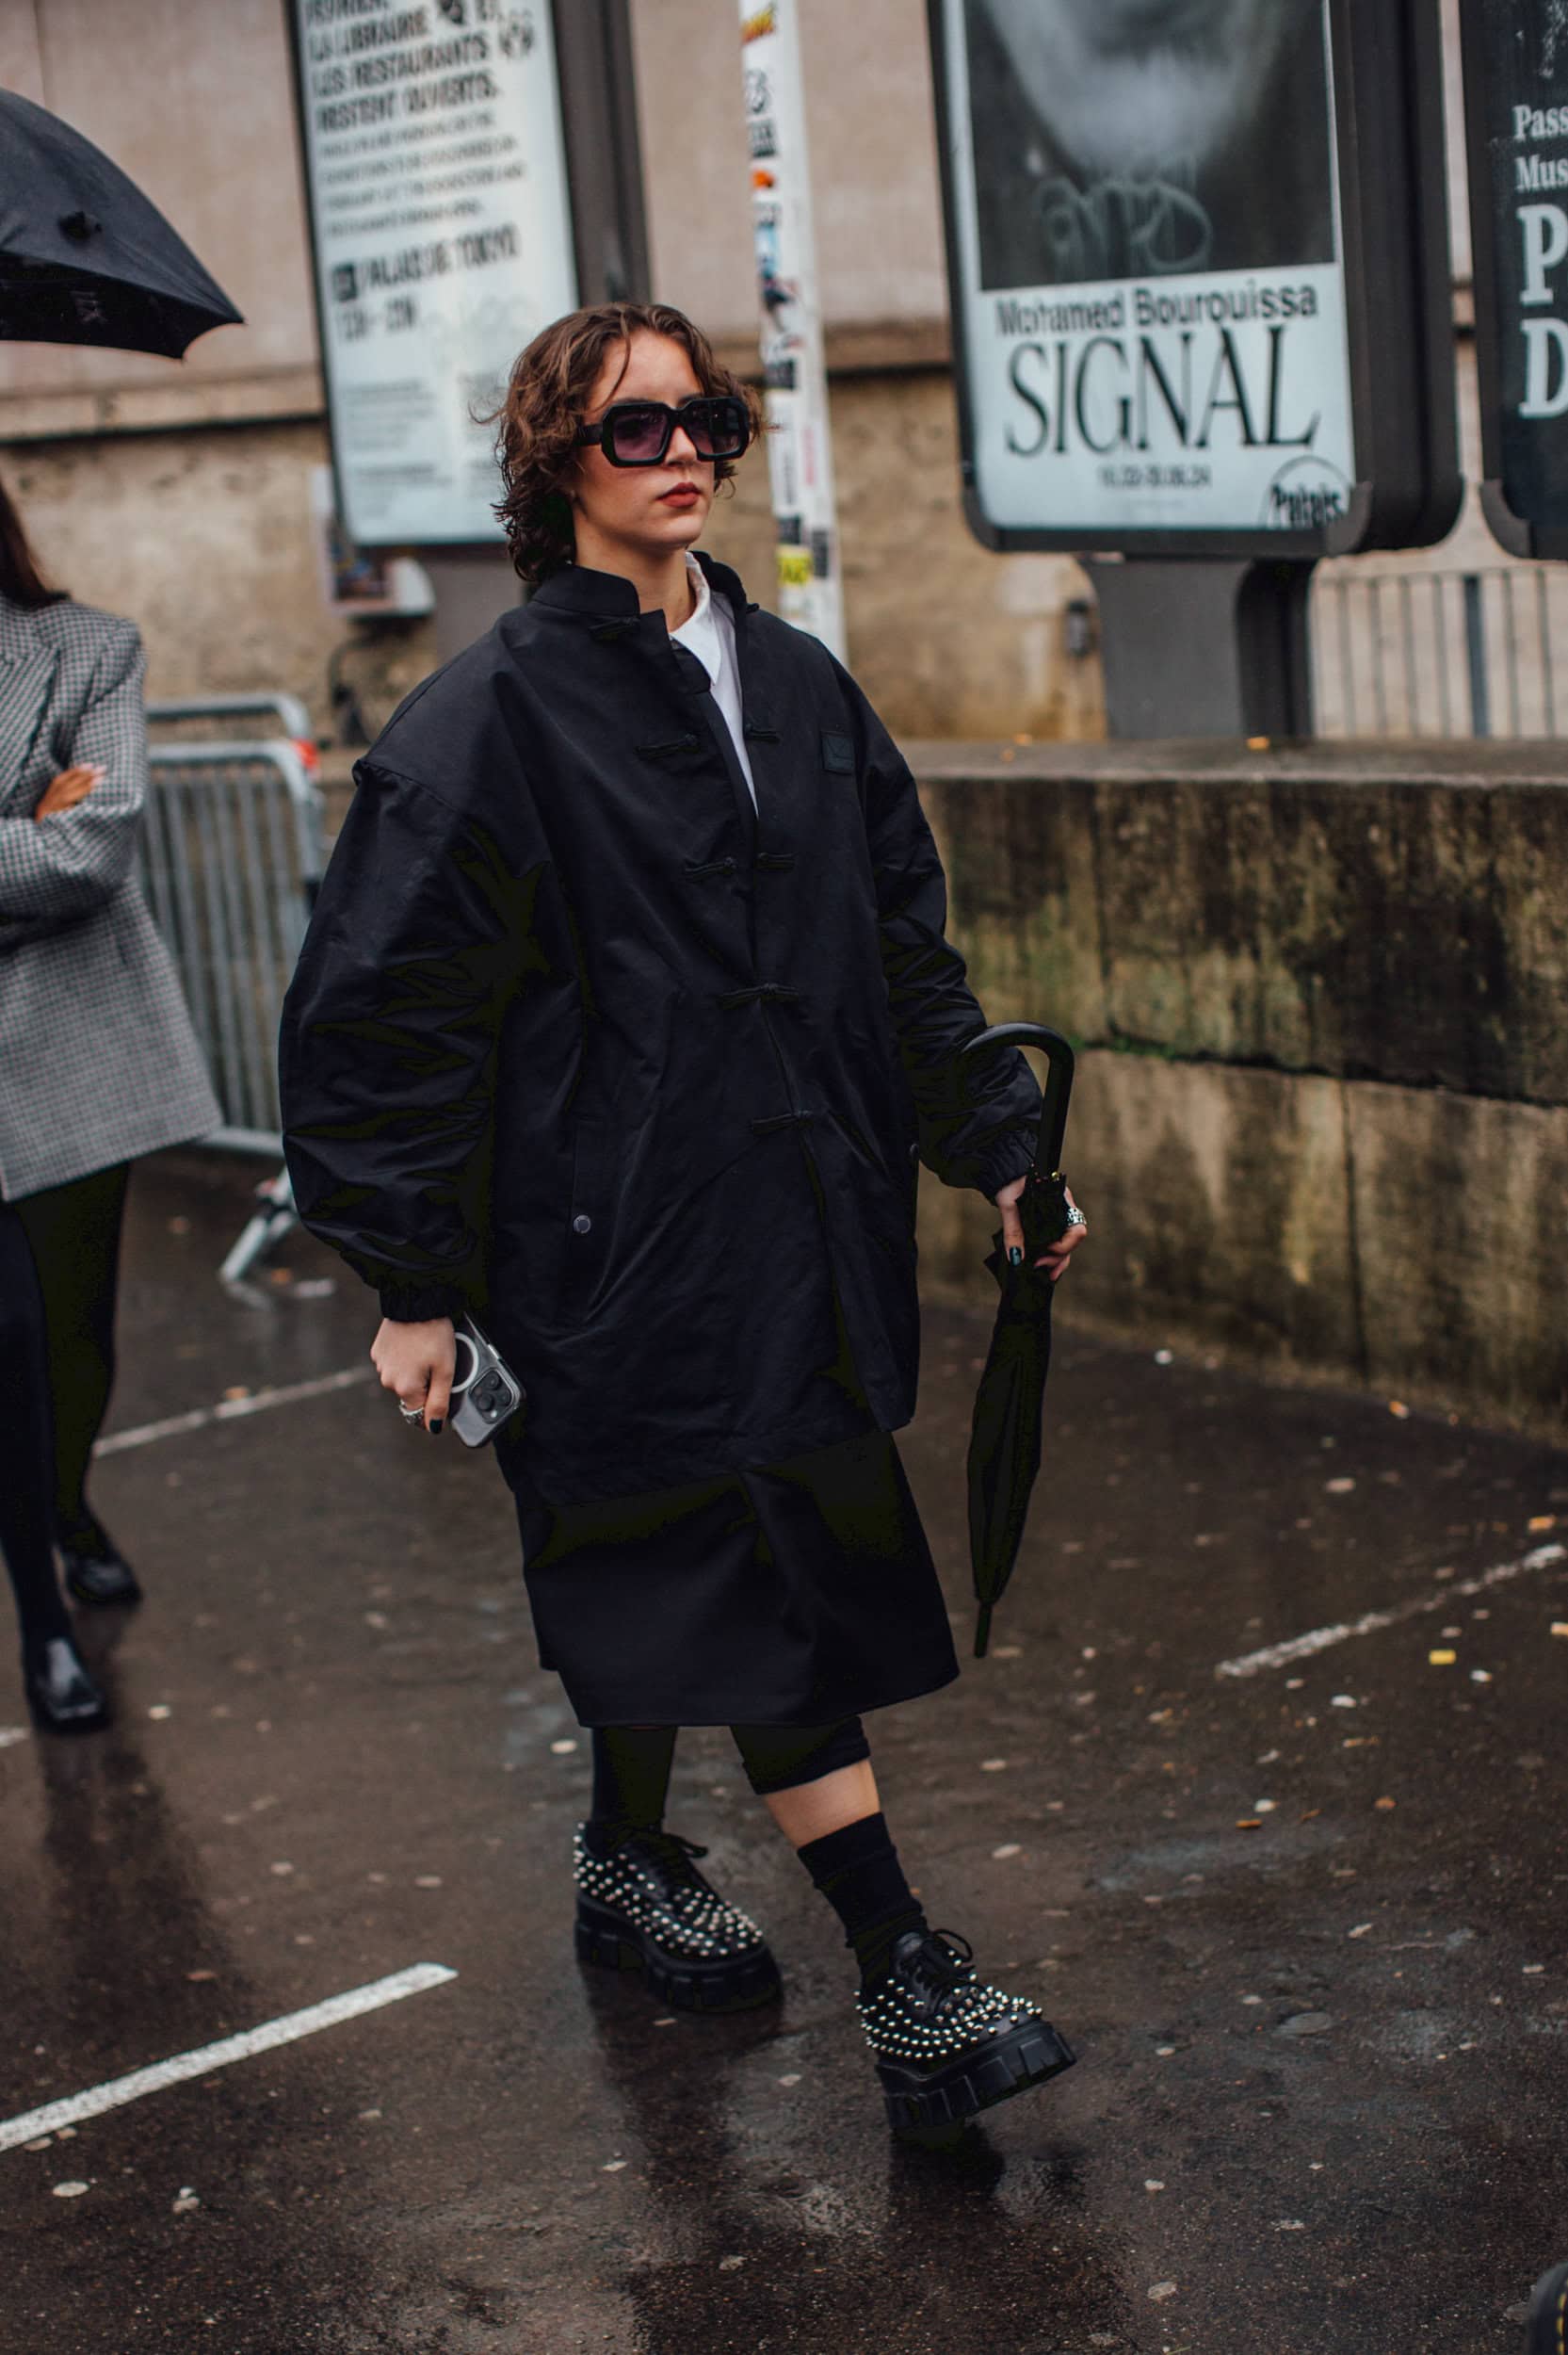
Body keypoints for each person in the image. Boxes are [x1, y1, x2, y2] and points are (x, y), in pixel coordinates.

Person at [279, 300, 1089, 2133]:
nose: (682, 453)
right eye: (635, 425)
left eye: (702, 417)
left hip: (802, 1223)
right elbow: (380, 1013)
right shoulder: (485, 720)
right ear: (554, 459)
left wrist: (999, 1148)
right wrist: (410, 1282)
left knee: (688, 1579)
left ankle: (622, 1857)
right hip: (603, 1252)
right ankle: (906, 1975)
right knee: (748, 1575)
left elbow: (900, 948)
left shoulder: (796, 684)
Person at [0, 479, 219, 1730]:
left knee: (71, 1334)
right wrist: (18, 829)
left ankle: (66, 1502)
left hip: (68, 1051)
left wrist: (53, 837)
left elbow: (92, 848)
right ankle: (42, 1617)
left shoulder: (87, 648)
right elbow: (44, 850)